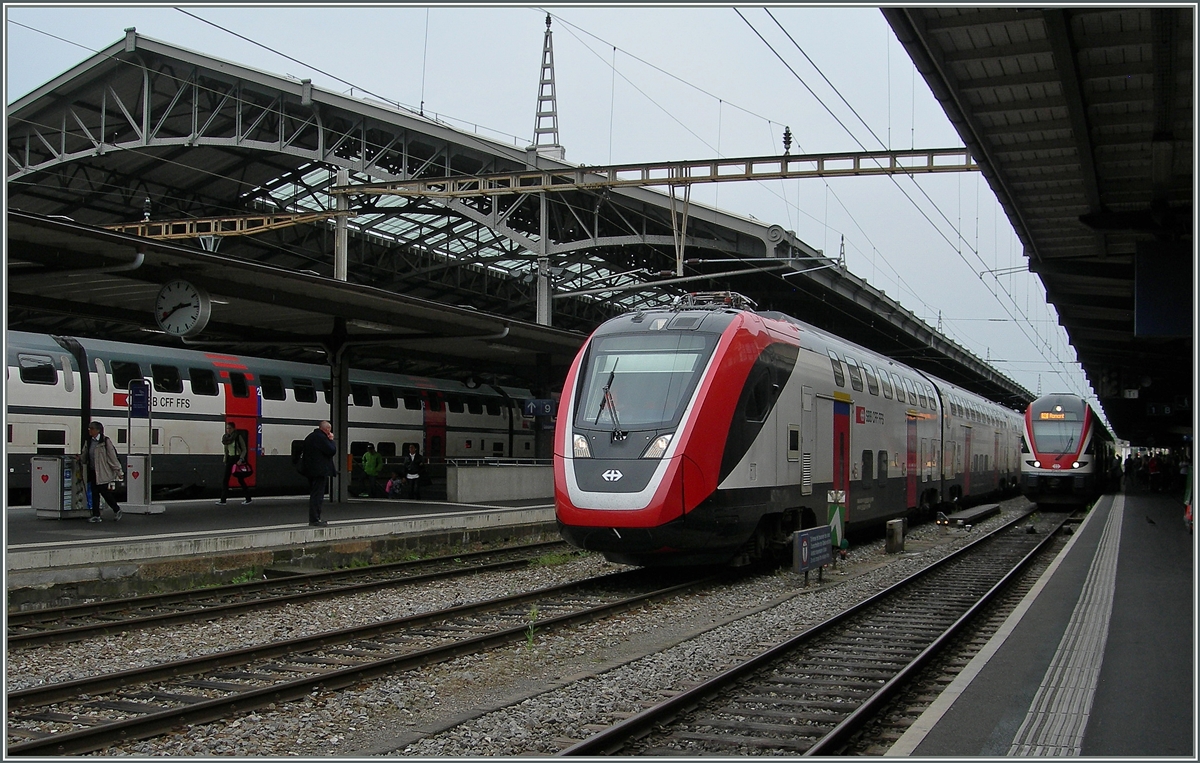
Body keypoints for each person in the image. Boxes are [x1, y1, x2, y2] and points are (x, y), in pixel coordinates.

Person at [80, 421, 122, 523]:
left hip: (103, 471)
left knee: (104, 492)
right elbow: (85, 454)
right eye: (89, 428)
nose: (89, 430)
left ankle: (116, 509)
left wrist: (118, 470)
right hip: (93, 471)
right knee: (95, 492)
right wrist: (81, 459)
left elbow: (112, 456)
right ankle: (96, 515)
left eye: (92, 428)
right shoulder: (89, 441)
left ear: (98, 430)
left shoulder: (105, 441)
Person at [300, 420, 337, 526]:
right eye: (329, 429)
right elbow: (331, 450)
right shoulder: (322, 438)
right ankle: (315, 519)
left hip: (310, 471)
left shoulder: (310, 437)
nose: (330, 431)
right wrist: (331, 440)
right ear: (326, 429)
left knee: (314, 493)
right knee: (318, 495)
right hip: (320, 471)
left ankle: (314, 518)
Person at [217, 422, 252, 505]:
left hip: (237, 459)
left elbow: (244, 449)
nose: (227, 430)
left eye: (229, 428)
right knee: (225, 479)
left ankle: (248, 498)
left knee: (240, 479)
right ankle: (223, 500)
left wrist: (241, 459)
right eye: (227, 428)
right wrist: (225, 459)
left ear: (233, 428)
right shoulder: (226, 438)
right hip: (230, 458)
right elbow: (226, 450)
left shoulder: (237, 436)